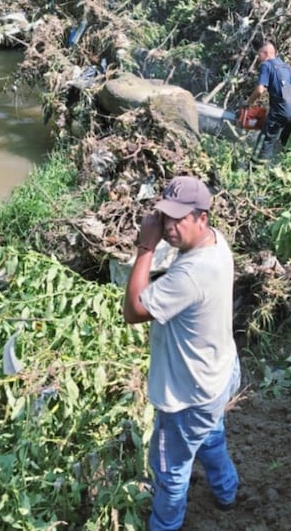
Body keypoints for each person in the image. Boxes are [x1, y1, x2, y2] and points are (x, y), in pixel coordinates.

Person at [123, 175, 240, 530]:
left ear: (202, 218)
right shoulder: (215, 243)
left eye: (178, 219)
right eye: (165, 218)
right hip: (217, 375)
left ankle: (164, 526)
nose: (169, 227)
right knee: (210, 434)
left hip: (185, 396)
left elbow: (133, 311)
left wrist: (146, 248)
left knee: (170, 472)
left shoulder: (192, 272)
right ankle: (227, 492)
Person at [246, 41, 291, 161]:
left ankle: (256, 168)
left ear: (265, 53)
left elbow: (260, 90)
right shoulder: (286, 67)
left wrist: (248, 104)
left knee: (265, 140)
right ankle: (283, 165)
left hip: (282, 111)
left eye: (259, 55)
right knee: (285, 142)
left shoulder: (266, 65)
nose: (258, 59)